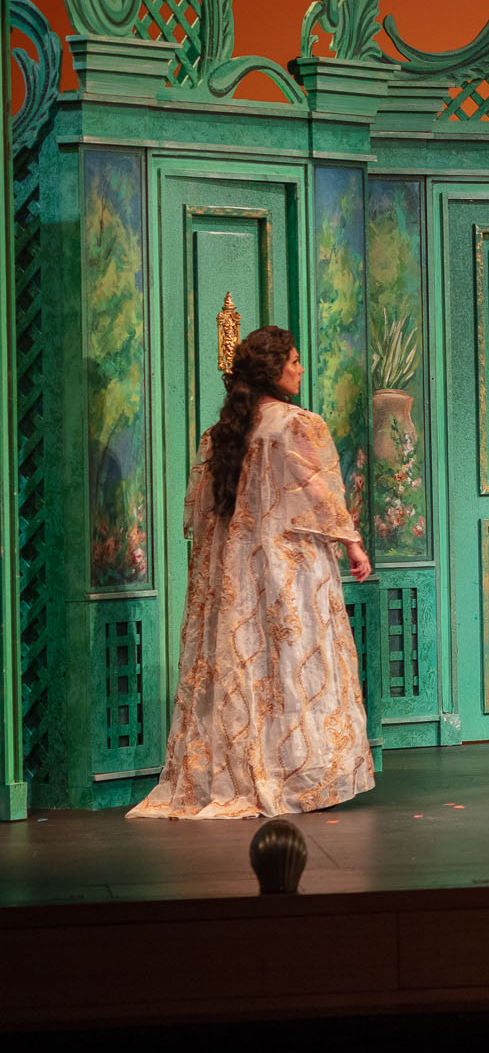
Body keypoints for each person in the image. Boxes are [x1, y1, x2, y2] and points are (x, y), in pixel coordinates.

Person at [129, 326, 375, 819]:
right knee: (292, 663)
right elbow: (321, 495)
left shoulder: (221, 434)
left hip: (238, 572)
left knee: (249, 667)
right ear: (273, 370)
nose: (300, 369)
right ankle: (300, 774)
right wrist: (352, 543)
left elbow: (204, 519)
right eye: (294, 361)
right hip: (291, 570)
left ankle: (248, 771)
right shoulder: (297, 424)